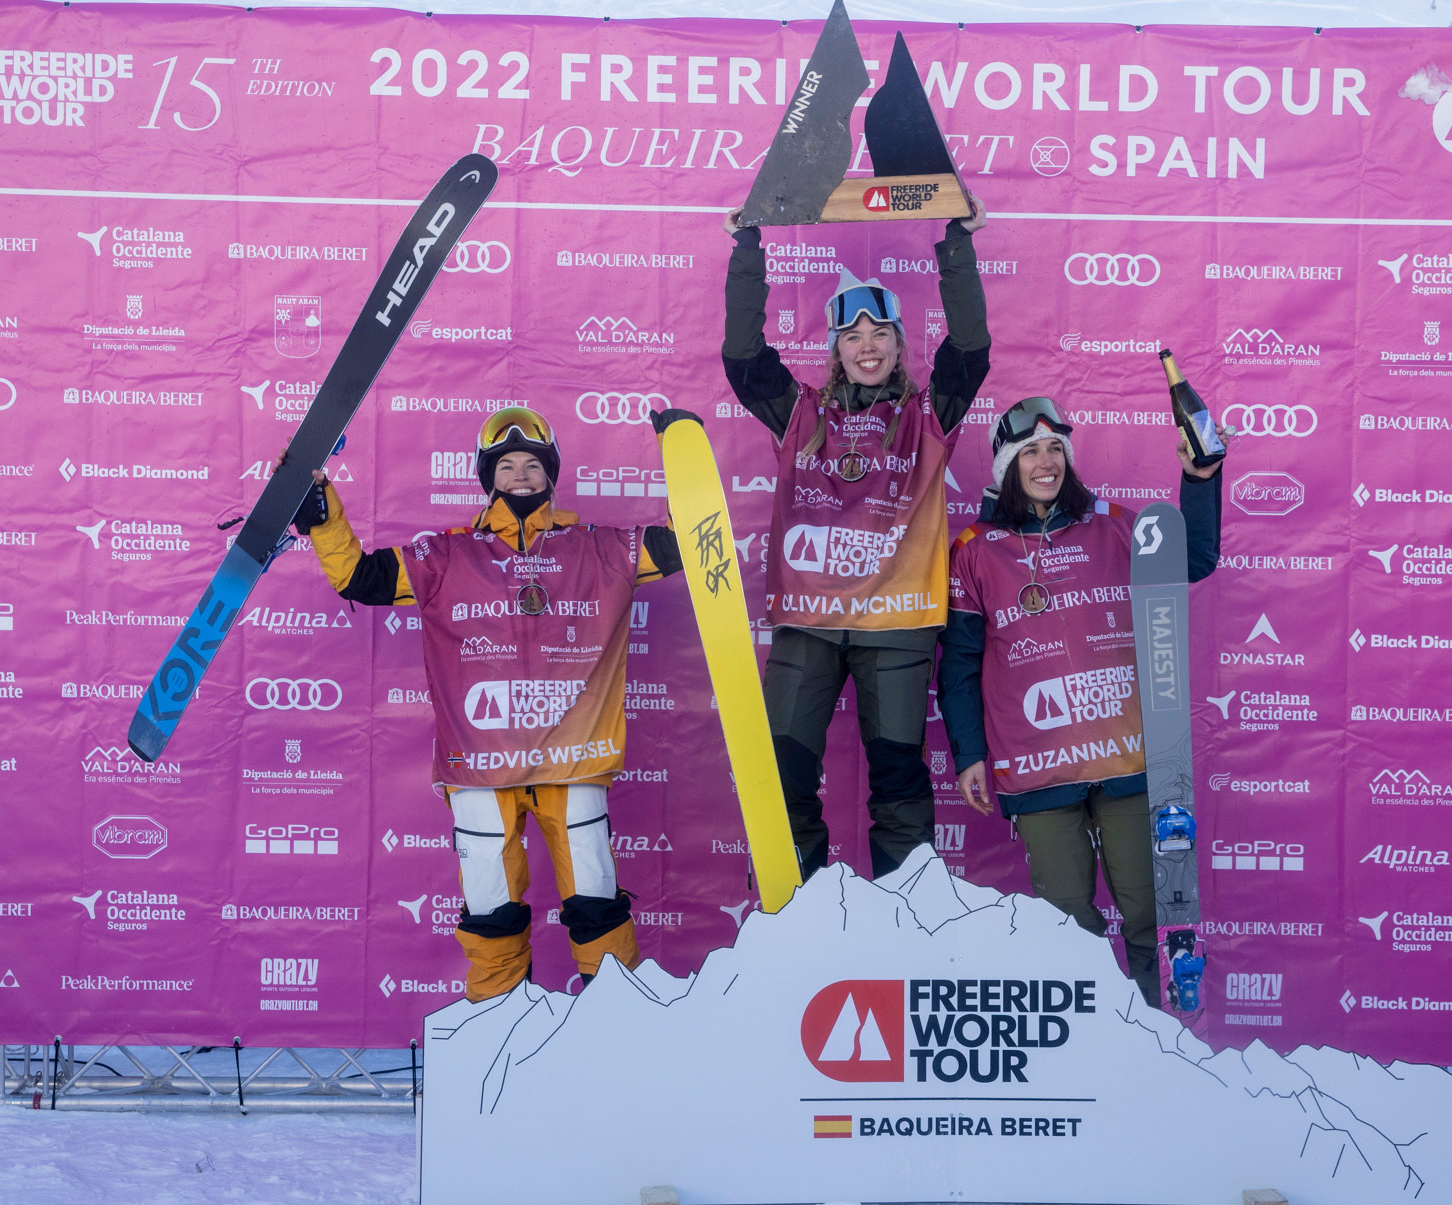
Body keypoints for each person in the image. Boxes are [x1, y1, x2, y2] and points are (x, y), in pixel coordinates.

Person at [291, 407, 687, 1000]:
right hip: (479, 767)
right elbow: (361, 579)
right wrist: (324, 518)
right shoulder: (447, 556)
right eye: (507, 466)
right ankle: (497, 1035)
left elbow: (686, 545)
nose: (521, 475)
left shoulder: (598, 549)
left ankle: (618, 1032)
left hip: (572, 761)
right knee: (490, 908)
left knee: (596, 904)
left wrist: (685, 460)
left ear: (552, 473)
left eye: (533, 464)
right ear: (487, 477)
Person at [721, 200, 990, 886]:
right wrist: (748, 249)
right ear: (836, 348)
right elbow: (744, 358)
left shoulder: (926, 417)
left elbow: (971, 353)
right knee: (782, 777)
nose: (867, 345)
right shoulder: (801, 413)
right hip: (808, 623)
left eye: (880, 333)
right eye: (853, 334)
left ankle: (903, 922)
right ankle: (803, 920)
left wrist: (956, 245)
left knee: (898, 779)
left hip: (897, 625)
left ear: (901, 344)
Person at [936, 398, 1223, 1002]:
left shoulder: (1115, 524)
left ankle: (1166, 1048)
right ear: (1006, 466)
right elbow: (959, 663)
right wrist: (968, 754)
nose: (1046, 462)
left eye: (1056, 449)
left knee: (1151, 916)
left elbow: (1194, 558)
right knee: (1068, 927)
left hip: (1126, 758)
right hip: (1036, 768)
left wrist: (1199, 479)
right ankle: (1100, 1061)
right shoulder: (974, 548)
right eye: (1031, 451)